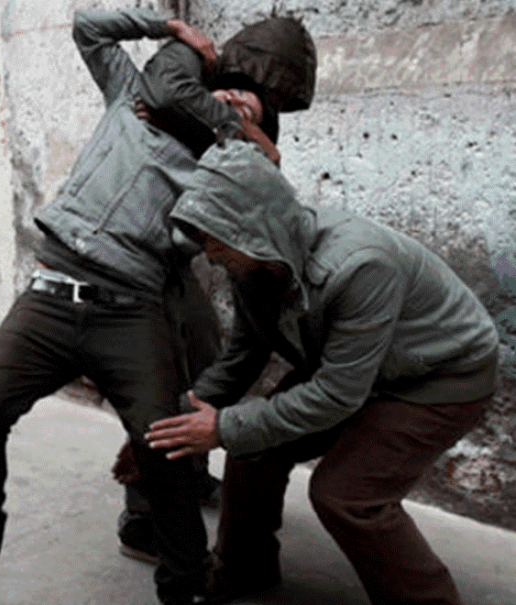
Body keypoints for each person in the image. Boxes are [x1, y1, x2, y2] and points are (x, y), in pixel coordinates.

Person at [0, 7, 282, 604]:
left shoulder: (218, 165)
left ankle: (185, 582)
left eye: (249, 108)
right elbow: (88, 26)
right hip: (53, 294)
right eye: (231, 90)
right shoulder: (130, 96)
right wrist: (168, 29)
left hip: (131, 308)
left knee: (162, 444)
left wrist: (233, 147)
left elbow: (219, 221)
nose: (235, 100)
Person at [147, 140, 498, 605]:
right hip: (352, 368)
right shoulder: (251, 261)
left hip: (437, 378)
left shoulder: (360, 265)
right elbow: (245, 353)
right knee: (252, 446)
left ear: (250, 225)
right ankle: (243, 570)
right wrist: (174, 422)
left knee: (347, 495)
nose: (208, 252)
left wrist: (224, 426)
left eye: (215, 238)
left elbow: (337, 394)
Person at [112, 14, 317, 566]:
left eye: (275, 98)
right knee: (159, 380)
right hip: (133, 250)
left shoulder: (250, 111)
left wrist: (243, 128)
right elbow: (161, 92)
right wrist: (223, 119)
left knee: (207, 363)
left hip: (184, 255)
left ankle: (190, 473)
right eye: (266, 89)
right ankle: (142, 518)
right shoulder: (193, 69)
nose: (263, 102)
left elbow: (261, 170)